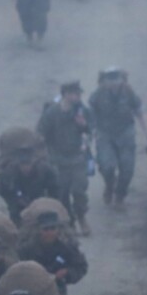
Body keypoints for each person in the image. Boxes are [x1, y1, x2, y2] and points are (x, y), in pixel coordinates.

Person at [88, 67, 147, 209]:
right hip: (105, 134)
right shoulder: (97, 95)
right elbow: (90, 118)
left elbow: (140, 114)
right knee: (106, 166)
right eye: (109, 80)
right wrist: (87, 136)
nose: (113, 83)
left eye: (116, 79)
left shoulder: (129, 93)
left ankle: (120, 196)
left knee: (127, 168)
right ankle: (109, 185)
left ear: (121, 80)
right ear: (104, 82)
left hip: (125, 134)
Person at [36, 79, 94, 234]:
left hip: (77, 158)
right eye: (74, 94)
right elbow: (41, 133)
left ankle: (81, 217)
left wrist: (84, 126)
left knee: (79, 190)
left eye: (78, 94)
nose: (77, 97)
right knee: (62, 194)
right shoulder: (52, 112)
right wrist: (43, 155)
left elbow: (91, 131)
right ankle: (69, 223)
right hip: (58, 160)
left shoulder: (82, 111)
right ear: (66, 94)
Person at [20, 208, 89, 295]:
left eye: (53, 228)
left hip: (57, 289)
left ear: (58, 229)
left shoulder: (67, 247)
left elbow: (81, 267)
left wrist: (67, 272)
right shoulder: (28, 248)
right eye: (45, 229)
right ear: (39, 230)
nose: (50, 232)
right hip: (31, 290)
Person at [0, 142, 65, 225]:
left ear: (34, 162)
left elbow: (55, 188)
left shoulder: (45, 170)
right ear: (18, 163)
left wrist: (50, 203)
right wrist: (15, 201)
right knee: (16, 222)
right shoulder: (9, 173)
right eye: (22, 164)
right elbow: (3, 191)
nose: (26, 167)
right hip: (18, 204)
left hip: (40, 201)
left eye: (28, 164)